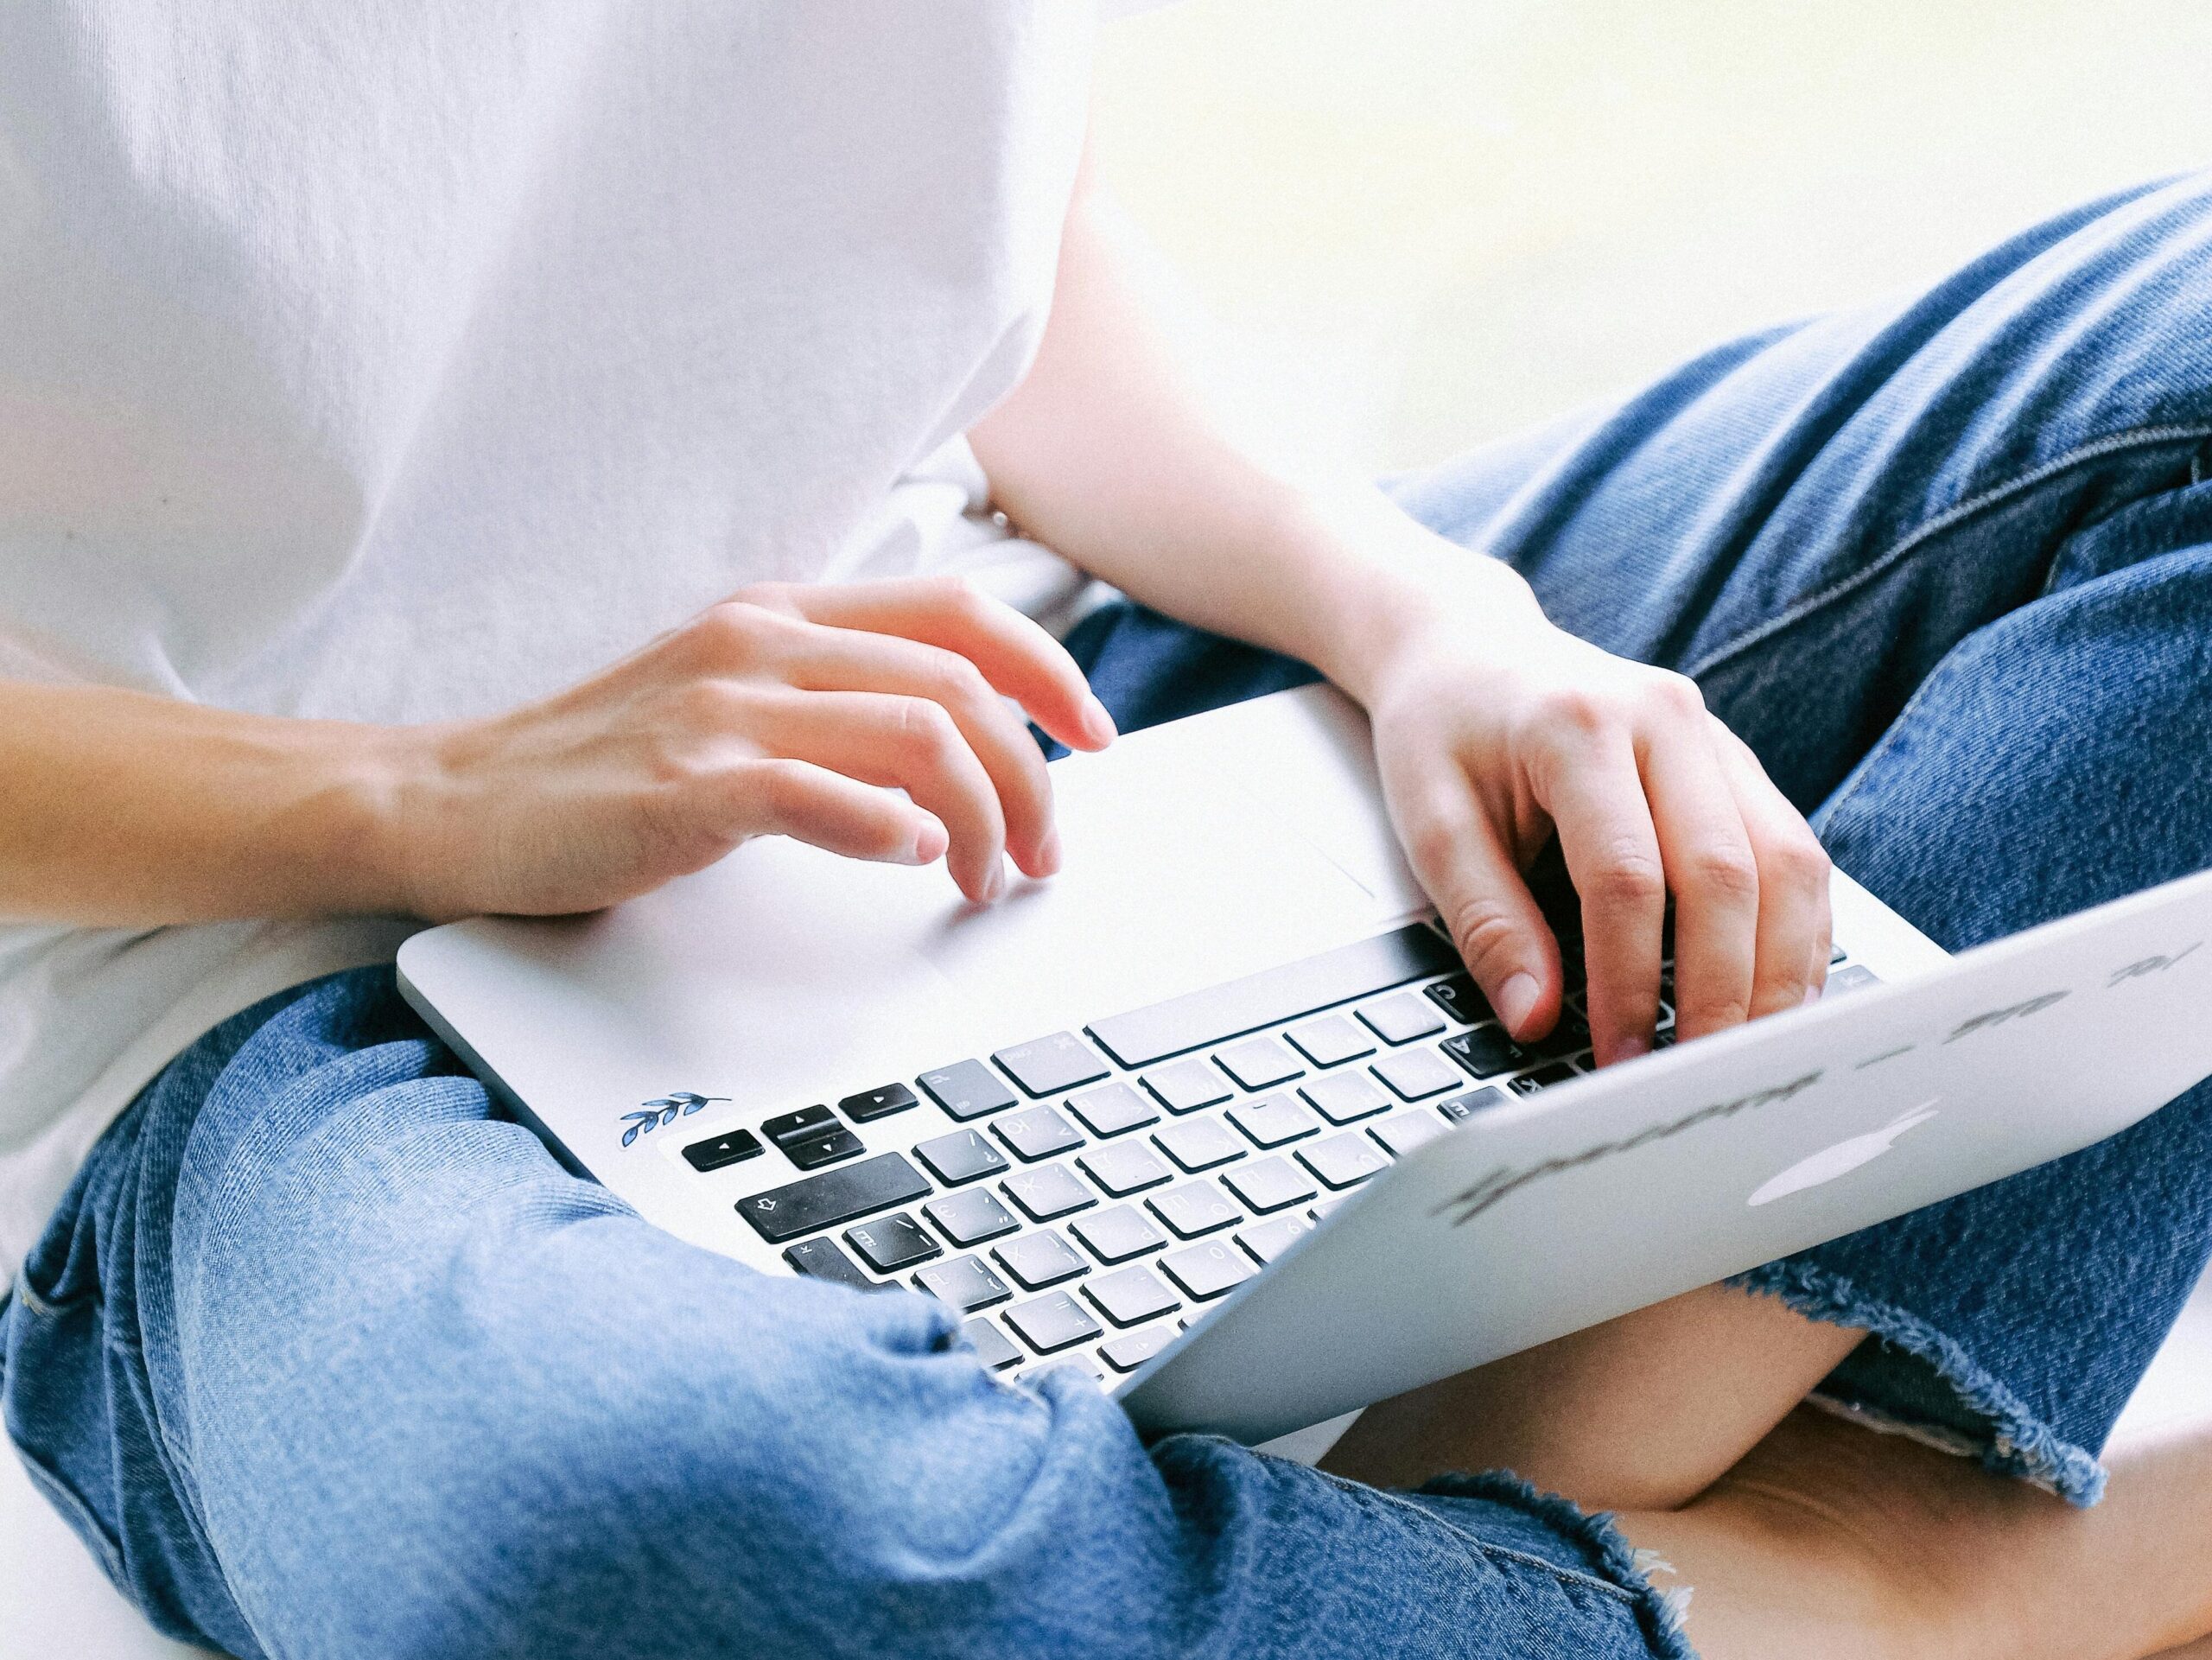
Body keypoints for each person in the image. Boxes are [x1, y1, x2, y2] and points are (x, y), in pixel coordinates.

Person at [2, 9, 2209, 1657]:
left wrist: (1421, 615)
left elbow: (956, 204)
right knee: (659, 1530)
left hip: (1039, 701)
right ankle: (1931, 1590)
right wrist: (433, 791)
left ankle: (1594, 1476)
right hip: (254, 994)